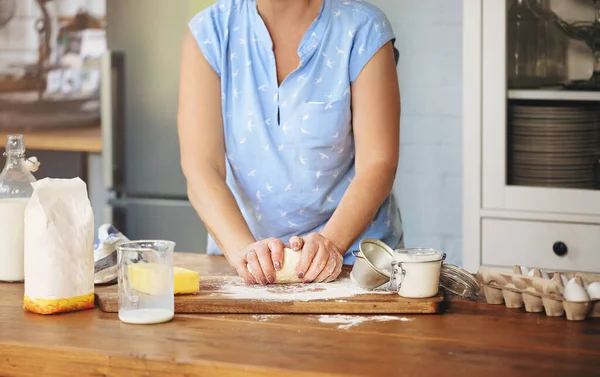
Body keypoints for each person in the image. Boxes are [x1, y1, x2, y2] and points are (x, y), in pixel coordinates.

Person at [178, 0, 403, 286]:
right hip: (243, 263)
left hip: (356, 266)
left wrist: (331, 243)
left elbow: (378, 163)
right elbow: (201, 167)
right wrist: (242, 250)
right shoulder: (210, 32)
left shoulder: (363, 27)